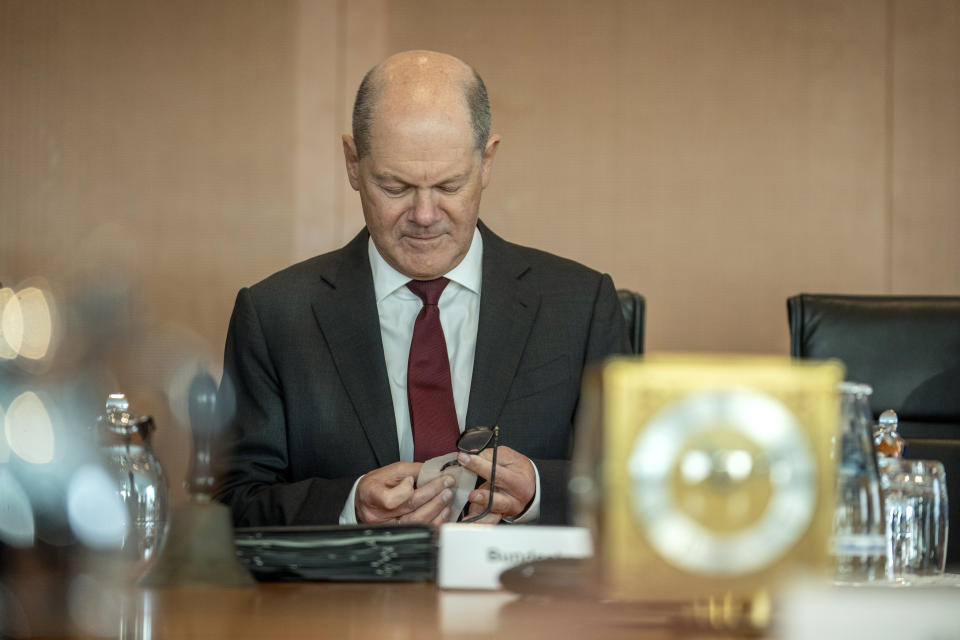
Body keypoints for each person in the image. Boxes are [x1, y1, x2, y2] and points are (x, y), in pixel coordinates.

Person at [215, 50, 628, 528]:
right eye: (395, 188)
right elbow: (231, 504)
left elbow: (636, 487)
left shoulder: (580, 305)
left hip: (522, 598)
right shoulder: (274, 315)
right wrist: (349, 506)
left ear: (487, 162)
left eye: (450, 186)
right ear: (353, 163)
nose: (425, 215)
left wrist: (540, 491)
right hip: (342, 601)